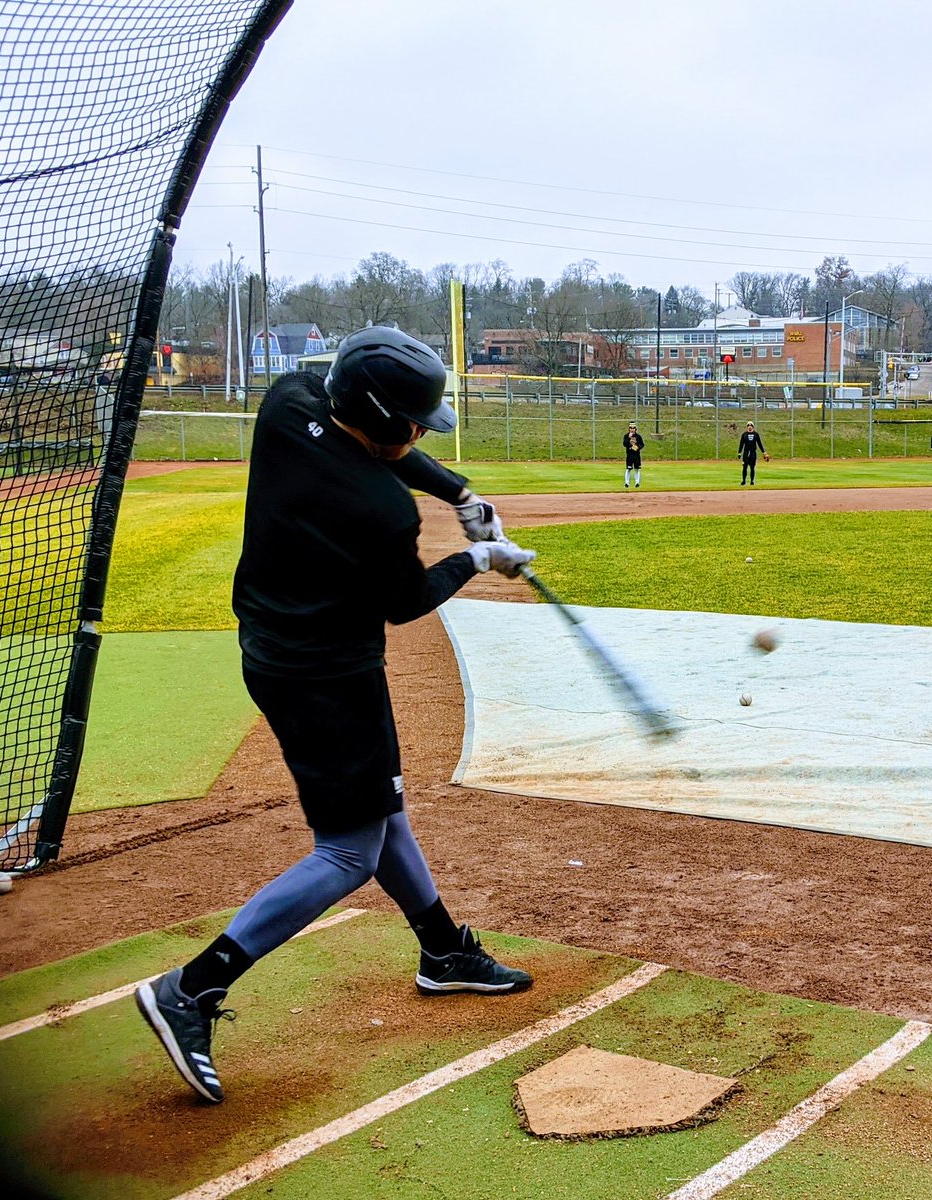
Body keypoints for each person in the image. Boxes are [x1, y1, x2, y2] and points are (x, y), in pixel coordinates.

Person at [135, 326, 537, 1104]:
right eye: (416, 425)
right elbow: (403, 601)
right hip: (327, 677)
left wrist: (455, 490)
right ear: (386, 424)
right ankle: (192, 989)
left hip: (276, 648)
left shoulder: (288, 404)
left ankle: (441, 952)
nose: (420, 435)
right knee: (348, 851)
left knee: (382, 814)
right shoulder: (380, 509)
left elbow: (385, 452)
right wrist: (479, 558)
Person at [737, 420, 766, 486]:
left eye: (751, 426)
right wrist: (739, 453)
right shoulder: (744, 435)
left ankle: (752, 481)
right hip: (746, 453)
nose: (750, 427)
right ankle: (744, 481)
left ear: (753, 427)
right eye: (748, 426)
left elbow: (759, 443)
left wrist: (763, 452)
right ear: (747, 427)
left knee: (752, 467)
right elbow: (741, 444)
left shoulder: (756, 434)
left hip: (753, 452)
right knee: (745, 467)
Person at [622, 420, 644, 488]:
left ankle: (637, 482)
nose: (632, 429)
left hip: (636, 455)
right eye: (631, 428)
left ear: (635, 429)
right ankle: (627, 483)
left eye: (633, 428)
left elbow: (642, 444)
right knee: (628, 469)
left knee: (637, 469)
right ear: (629, 429)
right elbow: (624, 444)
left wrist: (637, 448)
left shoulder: (638, 436)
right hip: (629, 455)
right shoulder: (626, 436)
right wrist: (628, 438)